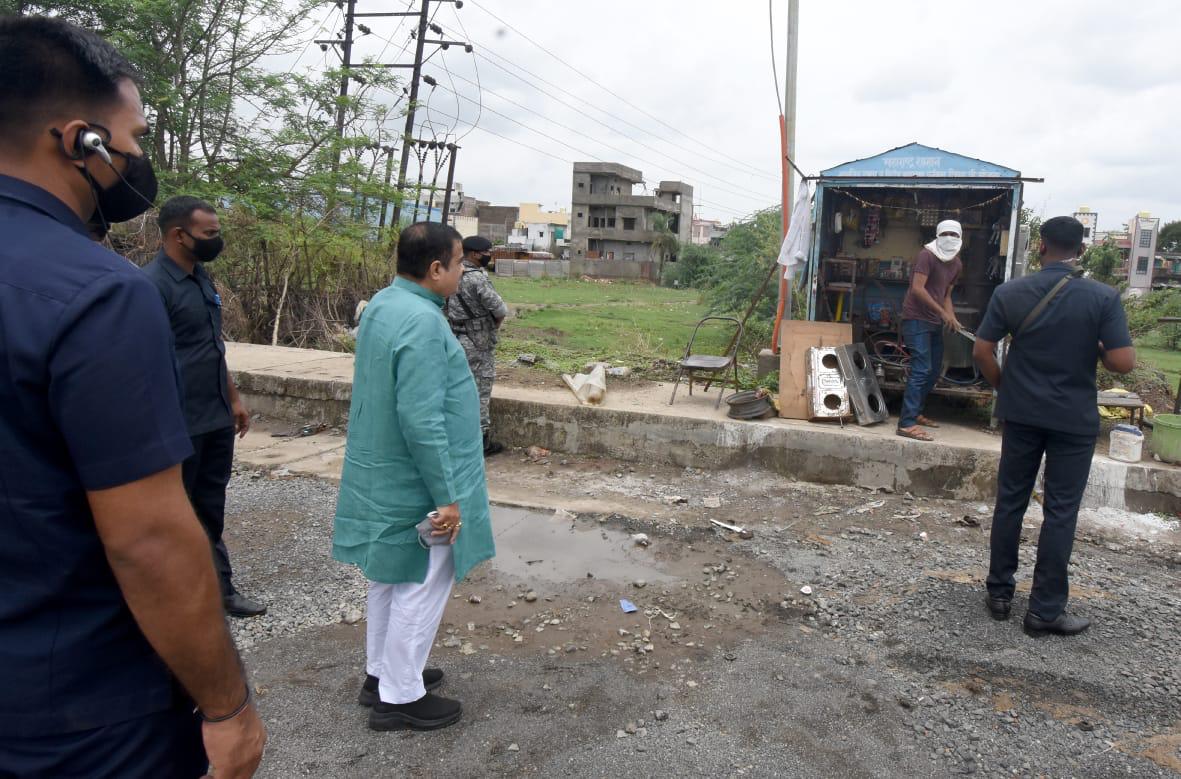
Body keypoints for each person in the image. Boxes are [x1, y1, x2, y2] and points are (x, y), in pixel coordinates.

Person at [0, 16, 264, 778]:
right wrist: (227, 704)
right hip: (74, 712)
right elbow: (146, 537)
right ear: (79, 139)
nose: (139, 157)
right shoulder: (97, 292)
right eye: (135, 135)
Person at [333, 222, 496, 732]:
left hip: (387, 472)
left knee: (392, 573)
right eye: (459, 263)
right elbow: (421, 418)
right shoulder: (424, 323)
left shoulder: (383, 303)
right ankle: (399, 698)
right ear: (436, 269)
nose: (463, 270)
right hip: (421, 480)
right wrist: (447, 498)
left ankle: (380, 674)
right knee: (424, 579)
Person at [973, 216, 1134, 636]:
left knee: (1011, 502)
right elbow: (1122, 363)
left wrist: (1006, 388)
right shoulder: (1103, 297)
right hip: (1073, 420)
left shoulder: (1010, 292)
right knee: (1061, 513)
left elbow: (982, 350)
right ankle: (1044, 612)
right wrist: (1097, 347)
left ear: (1041, 246)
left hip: (1022, 414)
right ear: (1081, 250)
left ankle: (1000, 594)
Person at [143, 196, 266, 618]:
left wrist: (232, 398)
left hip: (214, 417)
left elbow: (212, 348)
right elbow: (146, 362)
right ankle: (173, 596)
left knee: (210, 505)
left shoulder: (201, 279)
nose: (217, 241)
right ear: (179, 235)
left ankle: (219, 589)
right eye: (209, 234)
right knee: (176, 509)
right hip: (179, 421)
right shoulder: (151, 287)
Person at [897, 219, 964, 442]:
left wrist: (951, 316)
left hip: (934, 321)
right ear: (937, 235)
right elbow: (917, 289)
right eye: (945, 233)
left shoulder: (956, 264)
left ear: (960, 237)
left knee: (933, 370)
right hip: (915, 318)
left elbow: (946, 295)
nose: (949, 238)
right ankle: (906, 423)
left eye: (954, 235)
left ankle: (916, 413)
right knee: (921, 368)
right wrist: (943, 314)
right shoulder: (926, 255)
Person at [444, 235, 509, 456]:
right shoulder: (477, 278)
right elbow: (499, 309)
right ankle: (481, 442)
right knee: (481, 389)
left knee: (457, 387)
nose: (489, 256)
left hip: (455, 337)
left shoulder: (452, 273)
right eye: (486, 253)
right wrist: (491, 326)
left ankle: (456, 437)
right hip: (478, 342)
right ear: (474, 254)